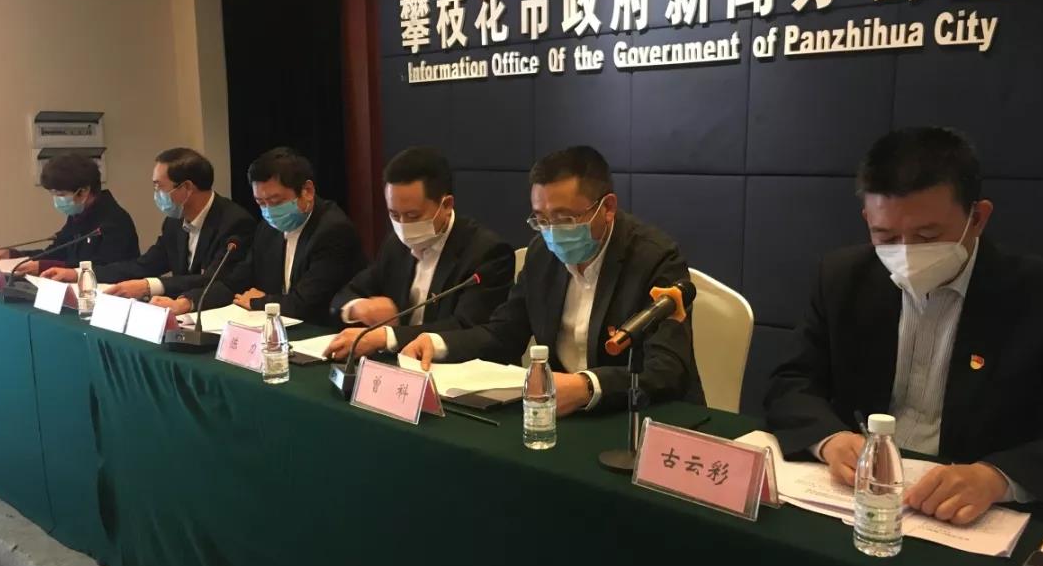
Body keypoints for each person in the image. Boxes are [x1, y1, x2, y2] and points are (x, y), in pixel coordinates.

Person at [764, 126, 1043, 522]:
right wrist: (830, 440)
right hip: (858, 497)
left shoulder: (1039, 295)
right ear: (867, 219)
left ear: (977, 218)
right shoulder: (843, 277)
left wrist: (998, 478)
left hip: (976, 513)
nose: (906, 253)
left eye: (927, 235)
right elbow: (792, 381)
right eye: (885, 236)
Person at [401, 145, 702, 416]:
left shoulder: (655, 257)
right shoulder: (542, 254)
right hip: (563, 415)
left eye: (564, 218)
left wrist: (587, 386)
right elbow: (505, 333)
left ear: (607, 208)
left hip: (639, 416)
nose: (552, 232)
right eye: (541, 219)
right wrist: (439, 343)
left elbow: (666, 370)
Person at [323, 147, 513, 361]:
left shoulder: (486, 252)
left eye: (413, 216)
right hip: (398, 368)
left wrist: (386, 337)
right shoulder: (395, 245)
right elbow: (344, 295)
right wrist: (357, 308)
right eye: (394, 215)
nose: (403, 226)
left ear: (446, 205)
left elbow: (465, 328)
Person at [152, 147, 365, 325]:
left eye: (276, 201)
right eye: (260, 203)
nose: (269, 211)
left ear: (307, 191)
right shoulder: (268, 229)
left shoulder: (333, 230)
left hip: (323, 333)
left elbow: (306, 303)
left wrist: (258, 302)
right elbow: (236, 281)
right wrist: (186, 302)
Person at [41, 148, 255, 298]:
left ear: (187, 188)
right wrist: (78, 274)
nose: (156, 194)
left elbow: (214, 280)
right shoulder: (173, 223)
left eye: (159, 187)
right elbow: (144, 265)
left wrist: (149, 286)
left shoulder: (234, 222)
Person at [0, 153, 138, 273]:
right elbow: (57, 252)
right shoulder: (79, 216)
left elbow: (104, 268)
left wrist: (45, 266)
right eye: (53, 194)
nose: (57, 200)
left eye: (61, 194)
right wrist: (14, 255)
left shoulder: (114, 221)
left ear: (83, 191)